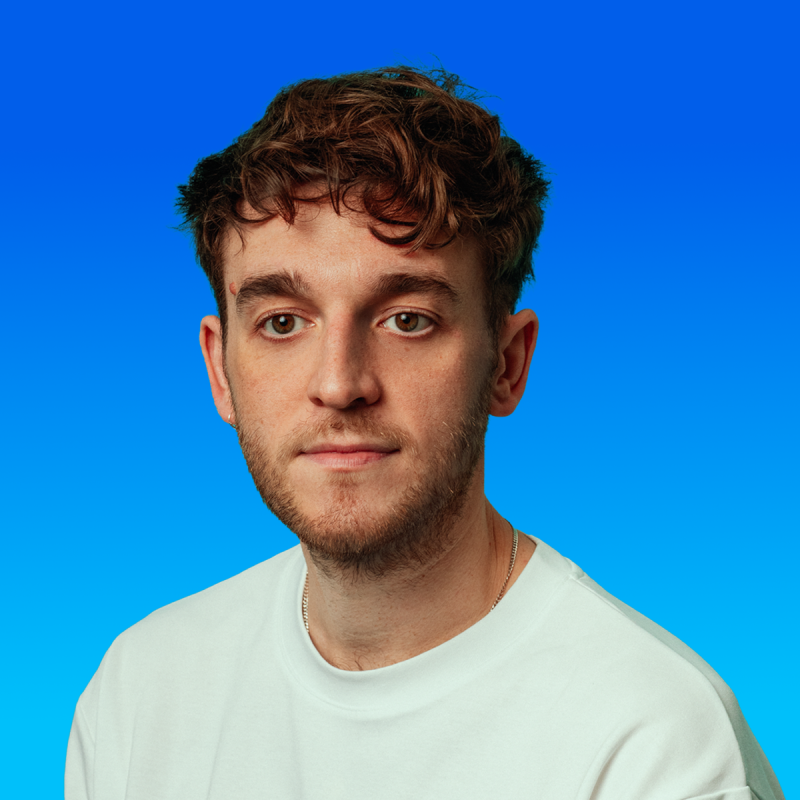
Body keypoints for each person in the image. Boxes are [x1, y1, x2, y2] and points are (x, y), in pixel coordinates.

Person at [65, 66, 784, 800]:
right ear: (221, 369)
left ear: (506, 363)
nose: (340, 383)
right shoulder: (140, 693)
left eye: (408, 319)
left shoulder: (651, 741)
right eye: (283, 323)